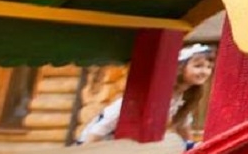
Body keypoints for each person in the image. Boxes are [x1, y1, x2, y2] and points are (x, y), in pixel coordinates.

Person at [78, 44, 215, 145]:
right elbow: (112, 117)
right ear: (181, 68)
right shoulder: (158, 92)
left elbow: (183, 125)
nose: (205, 72)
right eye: (198, 66)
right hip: (107, 139)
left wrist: (192, 148)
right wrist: (87, 146)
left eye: (209, 67)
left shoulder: (183, 97)